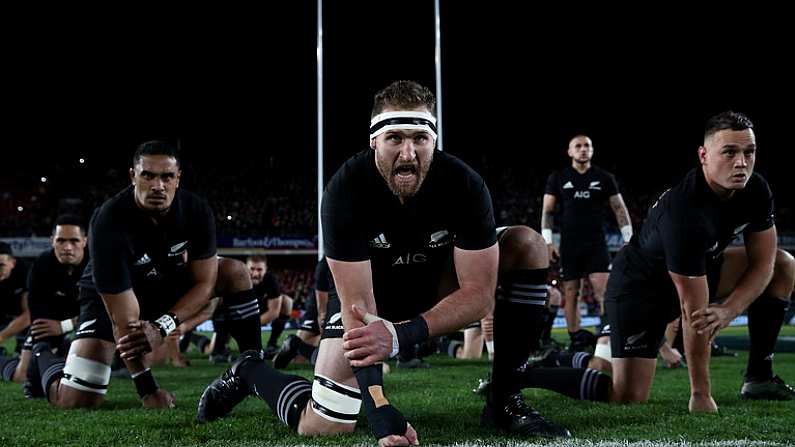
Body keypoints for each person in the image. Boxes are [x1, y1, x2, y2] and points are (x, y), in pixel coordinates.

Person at [197, 80, 571, 442]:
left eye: (420, 139)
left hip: (437, 292)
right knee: (324, 425)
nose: (408, 153)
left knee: (527, 243)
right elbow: (358, 309)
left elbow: (480, 295)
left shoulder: (464, 184)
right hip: (372, 301)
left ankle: (504, 398)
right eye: (395, 139)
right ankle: (249, 371)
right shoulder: (345, 190)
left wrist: (401, 335)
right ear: (374, 139)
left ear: (434, 141)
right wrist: (378, 407)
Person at [27, 140, 262, 409]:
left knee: (235, 271)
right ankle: (42, 353)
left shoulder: (196, 210)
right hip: (110, 300)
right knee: (77, 400)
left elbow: (205, 283)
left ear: (178, 178)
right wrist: (148, 390)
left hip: (163, 283)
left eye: (166, 177)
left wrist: (163, 325)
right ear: (132, 176)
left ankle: (252, 366)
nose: (157, 186)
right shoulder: (108, 221)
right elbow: (123, 320)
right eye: (148, 175)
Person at [604, 111, 794, 410]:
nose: (742, 162)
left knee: (785, 264)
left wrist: (730, 310)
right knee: (627, 397)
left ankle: (759, 377)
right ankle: (542, 371)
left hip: (702, 270)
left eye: (749, 152)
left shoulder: (756, 189)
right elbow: (695, 312)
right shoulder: (685, 213)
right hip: (641, 289)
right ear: (703, 155)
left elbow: (764, 263)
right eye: (729, 152)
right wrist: (700, 394)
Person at [541, 135, 633, 351]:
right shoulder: (558, 177)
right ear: (570, 152)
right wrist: (547, 241)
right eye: (578, 146)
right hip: (569, 244)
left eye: (587, 146)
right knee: (572, 293)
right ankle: (576, 340)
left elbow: (619, 208)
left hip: (596, 243)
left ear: (592, 150)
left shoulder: (604, 177)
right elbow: (547, 211)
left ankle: (607, 336)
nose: (583, 149)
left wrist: (629, 239)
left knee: (606, 291)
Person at [1, 217, 87, 386]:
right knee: (22, 376)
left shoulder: (98, 264)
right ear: (52, 241)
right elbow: (37, 316)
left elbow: (105, 311)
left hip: (88, 324)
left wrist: (65, 326)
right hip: (52, 324)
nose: (67, 247)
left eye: (74, 241)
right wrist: (45, 344)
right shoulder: (41, 266)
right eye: (61, 241)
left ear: (85, 241)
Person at [273, 256, 330, 369]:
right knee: (297, 359)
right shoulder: (325, 265)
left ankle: (296, 344)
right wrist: (328, 338)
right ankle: (295, 344)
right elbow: (322, 314)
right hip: (324, 298)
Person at [0, 242, 29, 359]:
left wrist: (1, 337)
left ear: (13, 263)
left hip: (21, 314)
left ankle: (23, 347)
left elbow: (29, 315)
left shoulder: (26, 273)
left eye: (1, 265)